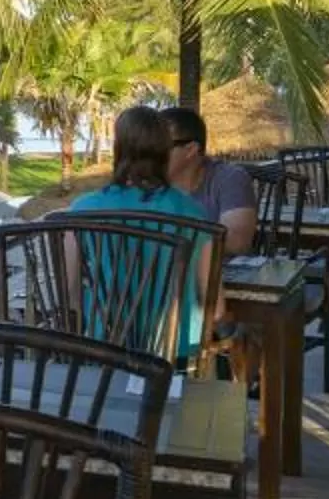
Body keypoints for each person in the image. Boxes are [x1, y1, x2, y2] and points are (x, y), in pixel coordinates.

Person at [65, 104, 216, 357]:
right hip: (175, 359)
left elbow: (69, 296)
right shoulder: (194, 213)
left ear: (118, 150)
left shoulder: (82, 211)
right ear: (164, 152)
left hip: (105, 354)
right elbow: (216, 307)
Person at [164, 102, 258, 256]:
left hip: (221, 273)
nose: (150, 154)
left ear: (190, 150)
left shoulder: (229, 178)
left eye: (160, 146)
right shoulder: (149, 183)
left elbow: (237, 243)